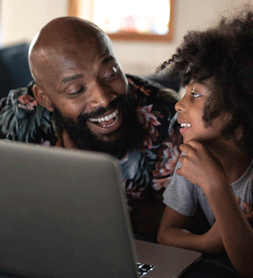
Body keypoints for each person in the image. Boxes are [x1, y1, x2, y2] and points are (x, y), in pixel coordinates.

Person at [0, 17, 182, 240]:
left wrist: (102, 205)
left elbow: (196, 220)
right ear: (44, 98)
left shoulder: (170, 118)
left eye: (110, 73)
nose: (103, 99)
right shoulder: (20, 114)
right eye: (77, 90)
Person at [156, 10, 253, 278]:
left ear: (241, 106)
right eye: (184, 92)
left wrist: (215, 185)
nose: (179, 105)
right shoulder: (195, 152)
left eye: (195, 94)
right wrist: (206, 243)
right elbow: (166, 234)